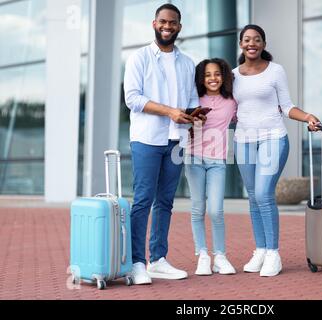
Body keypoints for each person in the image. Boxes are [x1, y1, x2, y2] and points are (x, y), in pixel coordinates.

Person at [232, 24, 321, 277]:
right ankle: (260, 249)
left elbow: (287, 106)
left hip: (272, 137)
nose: (252, 43)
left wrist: (307, 118)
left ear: (263, 44)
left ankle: (273, 253)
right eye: (247, 39)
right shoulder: (233, 75)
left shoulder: (275, 71)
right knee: (252, 196)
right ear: (241, 44)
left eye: (257, 39)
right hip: (243, 141)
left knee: (263, 193)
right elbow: (225, 108)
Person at [123, 3, 203, 284]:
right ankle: (136, 262)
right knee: (143, 199)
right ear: (154, 24)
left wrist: (194, 114)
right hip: (147, 139)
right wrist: (169, 111)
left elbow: (192, 98)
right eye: (163, 22)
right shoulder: (139, 58)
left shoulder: (187, 62)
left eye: (173, 23)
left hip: (176, 139)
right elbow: (132, 98)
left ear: (179, 27)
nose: (167, 27)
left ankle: (158, 259)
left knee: (165, 202)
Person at [184, 59, 237, 276]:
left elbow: (242, 118)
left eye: (217, 74)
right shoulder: (193, 99)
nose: (212, 78)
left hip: (218, 161)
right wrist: (194, 121)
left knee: (216, 210)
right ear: (201, 79)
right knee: (198, 209)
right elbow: (183, 126)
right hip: (193, 158)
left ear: (223, 76)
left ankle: (220, 256)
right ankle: (203, 255)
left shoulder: (232, 101)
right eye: (207, 75)